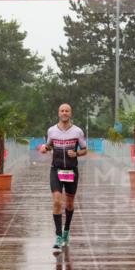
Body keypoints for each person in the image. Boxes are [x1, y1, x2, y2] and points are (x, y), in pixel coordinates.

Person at [41, 104, 87, 252]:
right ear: (58, 113)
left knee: (69, 204)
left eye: (67, 111)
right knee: (56, 201)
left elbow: (85, 149)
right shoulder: (52, 130)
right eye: (62, 110)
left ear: (70, 113)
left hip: (71, 171)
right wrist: (44, 148)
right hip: (56, 169)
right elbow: (49, 145)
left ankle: (66, 231)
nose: (64, 113)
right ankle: (58, 236)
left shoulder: (77, 131)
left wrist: (77, 154)